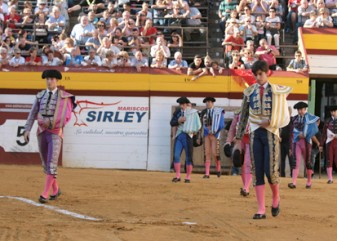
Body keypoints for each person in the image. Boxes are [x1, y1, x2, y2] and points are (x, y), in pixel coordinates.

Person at [235, 60, 292, 219]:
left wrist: (272, 122)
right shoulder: (249, 92)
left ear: (267, 73)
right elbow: (244, 115)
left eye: (261, 74)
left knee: (270, 171)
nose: (258, 77)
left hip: (270, 132)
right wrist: (239, 137)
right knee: (257, 171)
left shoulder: (276, 91)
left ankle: (276, 198)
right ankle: (261, 209)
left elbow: (282, 113)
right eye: (256, 74)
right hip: (254, 133)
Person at [23, 69, 76, 203]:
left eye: (52, 79)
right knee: (46, 163)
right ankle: (56, 189)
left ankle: (45, 194)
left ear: (57, 81)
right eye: (47, 79)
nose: (49, 81)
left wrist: (51, 123)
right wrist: (27, 129)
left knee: (52, 162)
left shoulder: (65, 97)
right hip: (41, 132)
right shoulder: (40, 96)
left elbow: (66, 116)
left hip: (55, 133)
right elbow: (32, 113)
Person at [288, 102, 321, 189]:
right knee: (296, 161)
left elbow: (316, 124)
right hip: (297, 142)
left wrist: (307, 134)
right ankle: (294, 182)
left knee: (308, 162)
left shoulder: (310, 117)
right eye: (299, 110)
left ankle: (309, 182)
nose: (301, 111)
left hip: (307, 142)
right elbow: (292, 132)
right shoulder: (294, 119)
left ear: (305, 109)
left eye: (302, 109)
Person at [170, 97, 201, 183]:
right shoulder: (178, 112)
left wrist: (194, 132)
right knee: (176, 155)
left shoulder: (193, 113)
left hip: (188, 136)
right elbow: (172, 122)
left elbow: (198, 125)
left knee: (188, 157)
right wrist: (178, 121)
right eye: (181, 104)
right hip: (179, 135)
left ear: (187, 104)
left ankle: (188, 177)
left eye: (183, 104)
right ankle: (178, 176)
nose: (182, 106)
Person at [225, 109, 252, 196]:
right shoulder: (238, 113)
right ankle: (245, 187)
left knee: (248, 163)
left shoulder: (257, 112)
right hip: (240, 140)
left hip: (253, 140)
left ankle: (246, 188)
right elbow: (232, 128)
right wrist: (228, 141)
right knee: (240, 163)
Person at [200, 97, 225, 178]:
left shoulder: (218, 112)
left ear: (213, 103)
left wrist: (214, 130)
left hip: (215, 135)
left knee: (215, 153)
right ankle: (207, 173)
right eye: (206, 102)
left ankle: (218, 168)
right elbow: (202, 124)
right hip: (207, 134)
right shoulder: (204, 112)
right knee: (207, 152)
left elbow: (221, 124)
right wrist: (206, 130)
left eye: (209, 102)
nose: (207, 103)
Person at [321, 106, 337, 184]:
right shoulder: (327, 121)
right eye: (331, 111)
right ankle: (330, 178)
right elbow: (324, 133)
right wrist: (321, 145)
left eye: (334, 111)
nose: (332, 113)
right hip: (329, 142)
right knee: (329, 160)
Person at [279, 107, 294, 177]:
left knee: (291, 159)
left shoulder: (292, 120)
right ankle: (282, 174)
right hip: (282, 142)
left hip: (289, 143)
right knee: (282, 159)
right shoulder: (283, 121)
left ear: (290, 113)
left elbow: (291, 132)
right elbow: (280, 130)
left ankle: (292, 174)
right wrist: (279, 136)